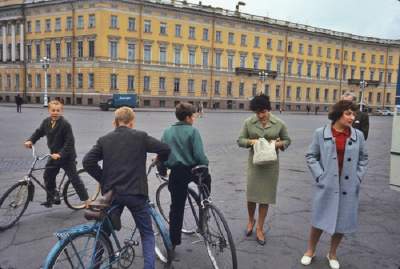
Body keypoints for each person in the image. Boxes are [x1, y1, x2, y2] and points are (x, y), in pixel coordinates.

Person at [83, 107, 170, 269]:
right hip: (136, 193)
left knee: (104, 231)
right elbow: (165, 149)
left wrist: (104, 179)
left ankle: (95, 264)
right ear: (132, 122)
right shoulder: (140, 137)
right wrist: (159, 159)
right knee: (147, 234)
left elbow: (87, 162)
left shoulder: (105, 139)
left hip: (112, 194)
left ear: (115, 122)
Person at [300, 100, 368, 269]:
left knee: (341, 222)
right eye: (348, 113)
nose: (352, 117)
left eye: (353, 114)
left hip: (348, 186)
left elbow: (364, 158)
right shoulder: (320, 133)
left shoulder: (357, 135)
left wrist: (358, 177)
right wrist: (320, 176)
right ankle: (310, 250)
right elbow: (311, 156)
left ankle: (332, 253)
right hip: (327, 184)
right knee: (318, 220)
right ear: (338, 114)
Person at [237, 94, 291, 245]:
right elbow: (240, 141)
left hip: (270, 165)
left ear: (268, 109)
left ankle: (260, 228)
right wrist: (251, 141)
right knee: (252, 195)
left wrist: (276, 144)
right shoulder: (249, 122)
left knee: (265, 197)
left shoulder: (279, 123)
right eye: (257, 112)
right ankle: (250, 221)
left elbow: (287, 140)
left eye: (263, 112)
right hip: (254, 163)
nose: (260, 115)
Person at [161, 102, 210, 251]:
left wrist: (164, 168)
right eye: (193, 116)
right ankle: (205, 205)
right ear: (188, 118)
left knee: (176, 208)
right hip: (194, 170)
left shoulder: (167, 131)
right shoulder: (192, 131)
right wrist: (205, 164)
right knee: (207, 181)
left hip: (177, 172)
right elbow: (199, 155)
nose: (194, 118)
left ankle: (173, 243)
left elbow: (163, 153)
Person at [24, 100, 89, 207]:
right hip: (53, 155)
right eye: (53, 110)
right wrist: (31, 140)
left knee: (74, 179)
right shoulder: (46, 122)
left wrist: (60, 154)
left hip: (67, 157)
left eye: (58, 110)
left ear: (61, 111)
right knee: (48, 176)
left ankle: (87, 201)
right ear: (49, 110)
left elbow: (70, 143)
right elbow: (39, 132)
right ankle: (51, 198)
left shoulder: (65, 124)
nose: (55, 112)